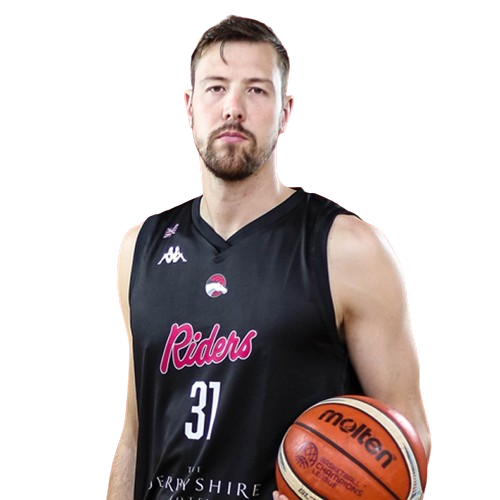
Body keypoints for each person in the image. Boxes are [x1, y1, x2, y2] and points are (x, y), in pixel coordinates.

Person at [108, 15, 431, 500]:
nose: (233, 108)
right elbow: (135, 435)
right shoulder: (139, 247)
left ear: (285, 112)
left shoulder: (348, 249)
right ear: (190, 107)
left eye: (257, 90)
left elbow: (408, 441)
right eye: (216, 88)